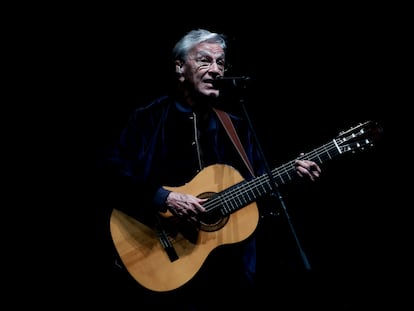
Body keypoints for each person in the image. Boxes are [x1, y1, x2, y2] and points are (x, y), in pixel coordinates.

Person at [98, 28, 322, 310]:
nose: (216, 70)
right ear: (180, 67)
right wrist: (164, 198)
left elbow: (262, 190)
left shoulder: (236, 126)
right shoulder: (147, 119)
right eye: (205, 60)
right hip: (164, 264)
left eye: (221, 62)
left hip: (231, 275)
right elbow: (108, 173)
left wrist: (293, 175)